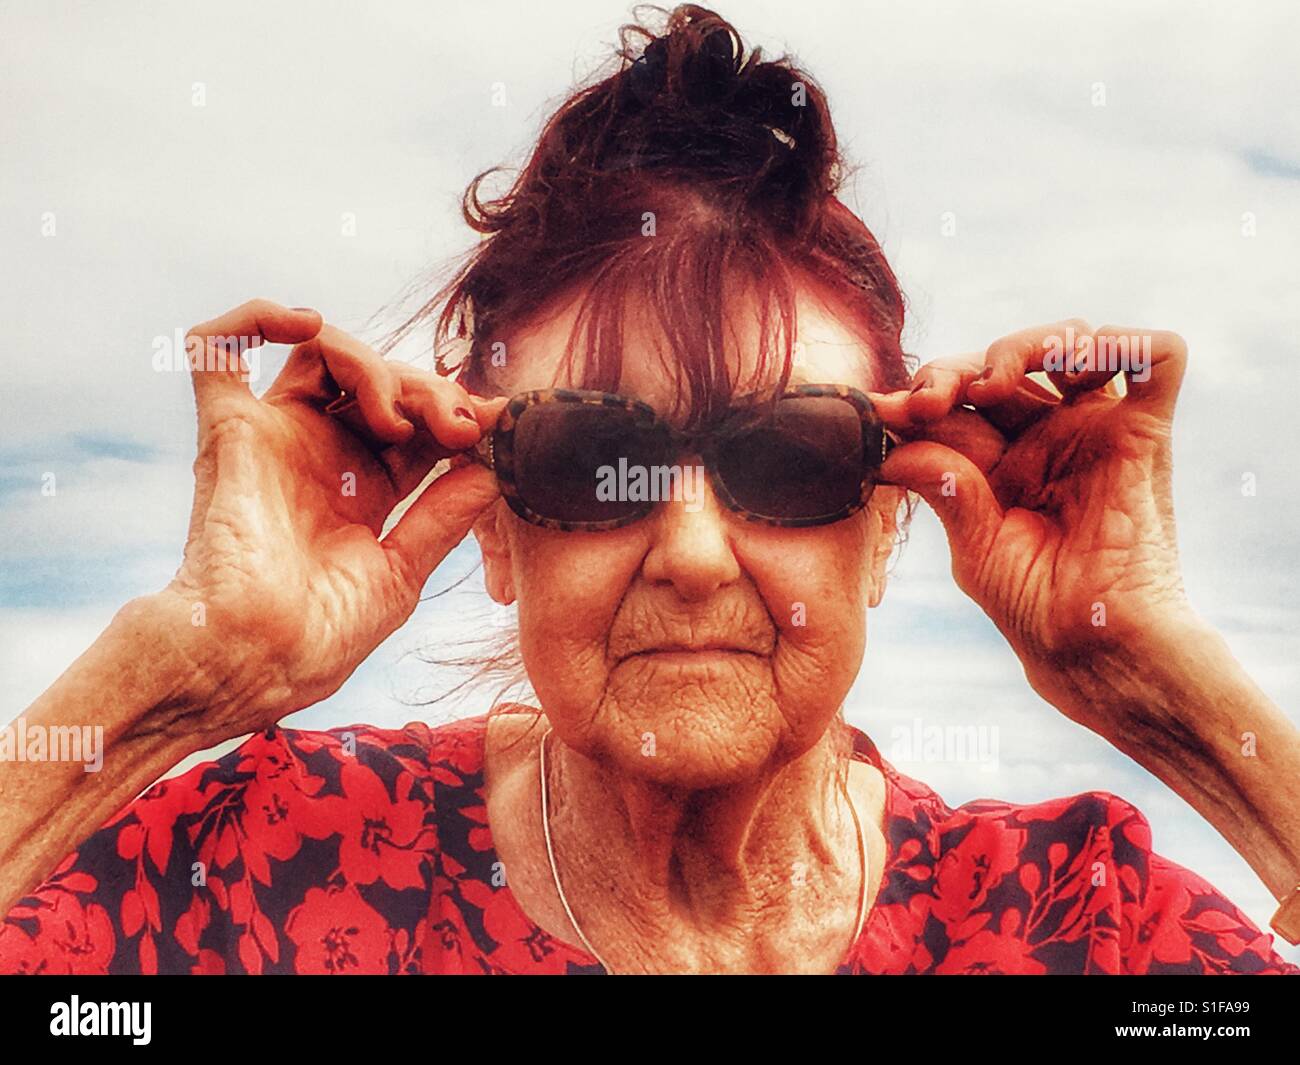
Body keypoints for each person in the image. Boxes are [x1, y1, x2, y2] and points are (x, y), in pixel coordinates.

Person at [1, 4, 1297, 975]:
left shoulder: (1082, 923)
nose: (689, 549)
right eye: (585, 459)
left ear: (893, 521)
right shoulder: (280, 865)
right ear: (496, 531)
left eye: (788, 457)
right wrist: (182, 671)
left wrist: (1170, 687)